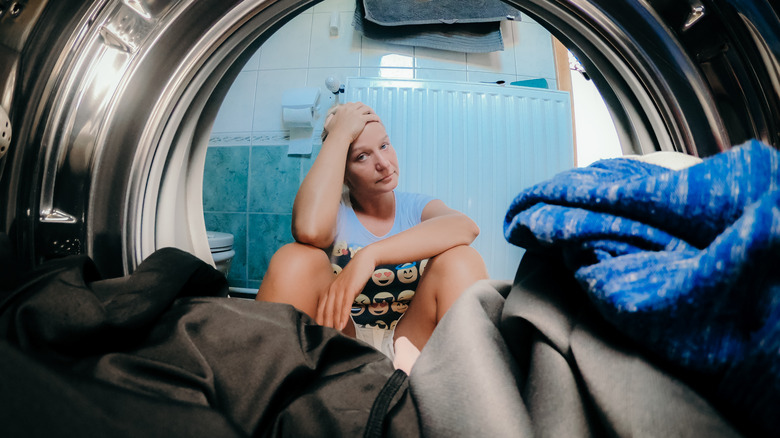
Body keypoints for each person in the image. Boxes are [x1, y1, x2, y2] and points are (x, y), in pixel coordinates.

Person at [255, 102, 488, 364]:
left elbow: (466, 227)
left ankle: (469, 392)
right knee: (294, 258)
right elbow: (309, 230)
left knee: (461, 259)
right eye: (361, 157)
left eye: (384, 145)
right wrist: (340, 135)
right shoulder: (333, 214)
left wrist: (371, 255)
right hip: (345, 340)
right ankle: (268, 393)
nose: (383, 163)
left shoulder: (416, 207)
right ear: (342, 174)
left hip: (408, 341)